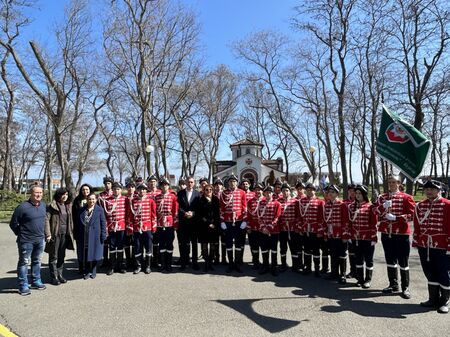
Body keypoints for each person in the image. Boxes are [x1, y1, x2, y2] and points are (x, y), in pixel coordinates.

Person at [375, 173, 415, 299]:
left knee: (403, 260)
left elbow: (412, 215)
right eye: (389, 182)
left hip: (401, 233)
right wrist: (383, 207)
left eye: (394, 182)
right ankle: (393, 284)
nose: (391, 184)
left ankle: (405, 287)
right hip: (387, 233)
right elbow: (375, 212)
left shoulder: (406, 197)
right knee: (390, 259)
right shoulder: (382, 197)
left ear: (399, 183)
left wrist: (397, 217)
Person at [413, 180, 450, 314]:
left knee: (444, 273)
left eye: (432, 189)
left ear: (439, 190)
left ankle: (444, 300)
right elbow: (417, 225)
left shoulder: (447, 205)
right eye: (427, 189)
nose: (429, 191)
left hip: (442, 245)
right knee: (429, 272)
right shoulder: (420, 206)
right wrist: (416, 241)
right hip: (425, 245)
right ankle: (433, 299)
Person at [10, 185, 47, 295]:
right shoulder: (22, 207)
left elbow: (45, 221)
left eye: (40, 192)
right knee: (24, 262)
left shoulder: (43, 206)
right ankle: (23, 285)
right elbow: (13, 223)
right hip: (26, 241)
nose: (38, 195)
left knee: (37, 261)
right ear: (31, 193)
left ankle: (36, 281)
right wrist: (20, 233)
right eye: (36, 193)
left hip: (40, 240)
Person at [348, 185, 378, 288]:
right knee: (358, 259)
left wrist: (374, 237)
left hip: (367, 238)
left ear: (364, 194)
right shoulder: (351, 206)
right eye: (356, 193)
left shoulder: (370, 206)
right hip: (356, 238)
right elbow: (350, 223)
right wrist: (350, 236)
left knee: (369, 259)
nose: (357, 195)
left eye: (360, 193)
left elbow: (374, 223)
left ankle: (368, 280)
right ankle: (360, 279)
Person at [44, 188, 75, 286]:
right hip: (55, 235)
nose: (65, 196)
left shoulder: (68, 205)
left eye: (66, 194)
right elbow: (46, 220)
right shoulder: (51, 206)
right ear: (58, 195)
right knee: (53, 256)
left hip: (65, 235)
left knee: (62, 255)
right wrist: (48, 234)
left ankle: (60, 274)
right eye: (62, 194)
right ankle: (54, 277)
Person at [126, 183, 156, 274]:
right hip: (136, 228)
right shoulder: (133, 201)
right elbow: (130, 216)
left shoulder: (151, 201)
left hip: (147, 228)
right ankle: (138, 265)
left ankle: (148, 266)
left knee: (148, 247)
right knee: (138, 247)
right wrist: (130, 227)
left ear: (146, 190)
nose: (142, 191)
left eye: (144, 189)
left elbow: (153, 215)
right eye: (140, 189)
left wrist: (154, 226)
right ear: (137, 190)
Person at [219, 173, 247, 273]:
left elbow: (244, 208)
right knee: (229, 243)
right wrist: (222, 221)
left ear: (237, 182)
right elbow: (221, 209)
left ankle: (237, 263)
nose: (232, 183)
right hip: (228, 222)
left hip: (239, 221)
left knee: (238, 243)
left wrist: (244, 220)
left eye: (234, 181)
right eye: (231, 181)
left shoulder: (242, 192)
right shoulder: (224, 193)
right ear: (228, 183)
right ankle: (230, 263)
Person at [77, 193, 107, 279]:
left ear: (96, 200)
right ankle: (86, 271)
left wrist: (103, 235)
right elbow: (78, 224)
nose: (91, 201)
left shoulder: (99, 210)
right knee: (86, 254)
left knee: (94, 253)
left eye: (93, 199)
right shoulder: (81, 210)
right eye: (90, 199)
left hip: (95, 235)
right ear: (87, 199)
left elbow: (103, 223)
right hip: (84, 236)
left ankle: (93, 270)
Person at [323, 184, 349, 284]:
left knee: (342, 255)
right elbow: (325, 221)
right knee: (333, 254)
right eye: (329, 192)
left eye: (333, 192)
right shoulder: (327, 205)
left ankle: (342, 274)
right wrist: (326, 234)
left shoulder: (342, 205)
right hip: (331, 234)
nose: (330, 194)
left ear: (337, 193)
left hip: (340, 235)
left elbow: (346, 221)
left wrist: (345, 235)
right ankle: (334, 273)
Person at [299, 183, 325, 277]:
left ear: (315, 190)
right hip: (306, 230)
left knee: (316, 250)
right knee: (306, 250)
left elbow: (322, 218)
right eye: (308, 190)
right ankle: (308, 267)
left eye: (311, 190)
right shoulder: (301, 201)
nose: (310, 191)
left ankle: (317, 269)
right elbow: (300, 217)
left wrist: (319, 231)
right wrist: (301, 228)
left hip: (315, 230)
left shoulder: (320, 202)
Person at [154, 177, 178, 272]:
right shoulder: (156, 198)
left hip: (169, 223)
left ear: (168, 186)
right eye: (162, 185)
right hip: (160, 223)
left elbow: (175, 211)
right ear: (160, 186)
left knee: (169, 244)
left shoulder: (173, 197)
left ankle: (169, 264)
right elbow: (154, 212)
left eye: (166, 185)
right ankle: (163, 264)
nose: (164, 186)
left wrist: (175, 225)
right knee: (161, 244)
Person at [177, 176, 201, 270]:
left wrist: (193, 213)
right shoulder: (180, 193)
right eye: (188, 182)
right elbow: (178, 207)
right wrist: (184, 213)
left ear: (194, 183)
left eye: (191, 182)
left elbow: (199, 208)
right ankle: (184, 263)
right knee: (184, 244)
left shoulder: (197, 194)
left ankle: (195, 263)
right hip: (184, 223)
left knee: (194, 244)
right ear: (186, 183)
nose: (190, 184)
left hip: (194, 223)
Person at [257, 186, 282, 276]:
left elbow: (277, 217)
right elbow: (259, 216)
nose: (268, 194)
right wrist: (263, 227)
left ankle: (274, 267)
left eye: (270, 192)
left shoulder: (277, 204)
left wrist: (269, 228)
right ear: (264, 194)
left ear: (272, 194)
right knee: (264, 249)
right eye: (266, 192)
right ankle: (265, 266)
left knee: (274, 249)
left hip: (274, 230)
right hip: (263, 230)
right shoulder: (260, 203)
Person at [104, 182, 127, 275]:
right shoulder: (107, 200)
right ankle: (112, 266)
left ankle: (120, 265)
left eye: (118, 189)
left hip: (121, 225)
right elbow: (106, 215)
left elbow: (128, 213)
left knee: (120, 245)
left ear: (121, 190)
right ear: (112, 190)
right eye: (114, 189)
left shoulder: (125, 200)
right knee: (112, 246)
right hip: (111, 226)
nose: (116, 191)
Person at [197, 184, 220, 272]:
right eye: (206, 189)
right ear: (204, 190)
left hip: (214, 226)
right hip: (204, 226)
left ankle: (210, 262)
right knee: (204, 245)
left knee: (213, 245)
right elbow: (199, 214)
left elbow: (218, 213)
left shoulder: (216, 199)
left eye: (210, 189)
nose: (209, 191)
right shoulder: (200, 200)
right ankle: (206, 263)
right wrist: (208, 223)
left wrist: (214, 223)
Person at [278, 183, 301, 272]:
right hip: (282, 229)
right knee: (283, 248)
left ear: (290, 192)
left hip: (292, 229)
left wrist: (296, 227)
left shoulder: (295, 202)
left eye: (287, 190)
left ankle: (295, 265)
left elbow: (298, 216)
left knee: (294, 247)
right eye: (283, 191)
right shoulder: (278, 202)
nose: (285, 192)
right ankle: (283, 264)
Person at [72, 183, 93, 274]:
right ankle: (81, 266)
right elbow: (74, 215)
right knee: (80, 248)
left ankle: (89, 266)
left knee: (89, 248)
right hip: (79, 228)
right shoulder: (77, 200)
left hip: (91, 229)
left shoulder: (94, 199)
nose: (85, 191)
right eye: (83, 190)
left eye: (87, 190)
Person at [247, 183, 264, 269]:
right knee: (254, 245)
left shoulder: (265, 200)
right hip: (253, 228)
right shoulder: (250, 201)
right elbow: (248, 215)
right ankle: (256, 261)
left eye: (260, 190)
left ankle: (265, 262)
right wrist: (248, 227)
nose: (258, 191)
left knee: (263, 245)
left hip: (263, 228)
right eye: (256, 190)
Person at [97, 176, 114, 267]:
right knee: (105, 241)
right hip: (104, 220)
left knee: (113, 240)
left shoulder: (114, 194)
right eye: (106, 183)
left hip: (113, 220)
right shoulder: (100, 195)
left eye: (109, 183)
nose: (107, 185)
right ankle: (105, 259)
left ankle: (113, 259)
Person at [238, 178, 255, 266]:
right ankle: (240, 259)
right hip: (241, 220)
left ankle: (254, 259)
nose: (245, 185)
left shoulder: (253, 194)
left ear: (249, 185)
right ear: (241, 185)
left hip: (251, 221)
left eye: (246, 184)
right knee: (241, 241)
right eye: (243, 184)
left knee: (252, 242)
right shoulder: (239, 194)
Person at [344, 183, 357, 279]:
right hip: (349, 231)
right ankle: (353, 271)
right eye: (350, 191)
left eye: (354, 191)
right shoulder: (344, 203)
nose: (352, 193)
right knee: (351, 252)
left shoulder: (361, 202)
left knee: (360, 253)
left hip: (359, 231)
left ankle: (359, 272)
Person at [124, 181, 136, 270]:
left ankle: (135, 261)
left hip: (136, 224)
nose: (130, 188)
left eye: (132, 187)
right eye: (129, 187)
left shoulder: (137, 198)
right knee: (127, 243)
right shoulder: (124, 199)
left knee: (136, 244)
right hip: (126, 224)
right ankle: (128, 261)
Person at [213, 177, 226, 265]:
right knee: (216, 240)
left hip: (224, 220)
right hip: (215, 220)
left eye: (220, 184)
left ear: (222, 186)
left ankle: (224, 258)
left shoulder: (226, 195)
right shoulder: (212, 195)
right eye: (216, 185)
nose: (218, 186)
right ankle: (216, 257)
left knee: (224, 240)